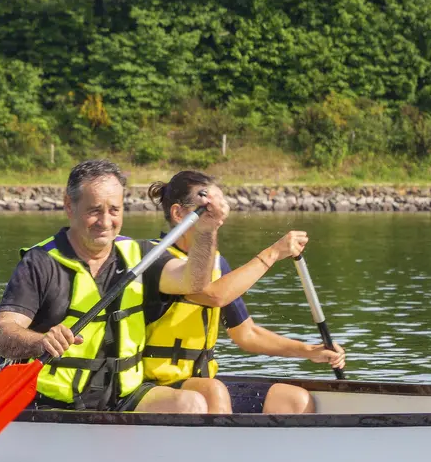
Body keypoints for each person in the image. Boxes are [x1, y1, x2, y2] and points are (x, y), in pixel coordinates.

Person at [0, 159, 228, 414]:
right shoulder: (40, 263)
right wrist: (41, 341)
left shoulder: (141, 256)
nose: (105, 221)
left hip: (124, 397)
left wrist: (206, 231)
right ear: (70, 206)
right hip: (52, 404)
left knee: (191, 404)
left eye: (114, 210)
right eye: (94, 210)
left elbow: (194, 281)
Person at [139, 170, 346, 414]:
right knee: (212, 390)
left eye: (219, 203)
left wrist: (309, 351)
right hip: (157, 388)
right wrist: (273, 252)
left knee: (294, 400)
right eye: (207, 205)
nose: (217, 211)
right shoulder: (155, 259)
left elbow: (246, 333)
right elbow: (215, 294)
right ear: (178, 213)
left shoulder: (218, 264)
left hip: (202, 383)